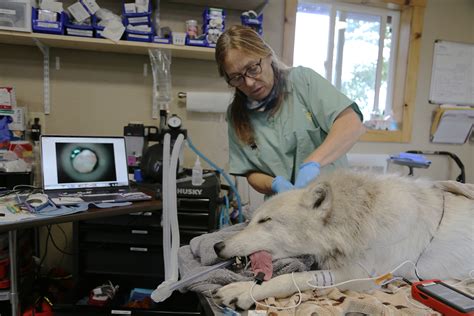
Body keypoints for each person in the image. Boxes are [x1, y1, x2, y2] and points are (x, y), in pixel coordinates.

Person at [215, 25, 366, 197]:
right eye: (237, 78)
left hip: (333, 200)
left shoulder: (303, 82)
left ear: (267, 55)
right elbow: (250, 172)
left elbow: (352, 124)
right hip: (285, 209)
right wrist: (274, 183)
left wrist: (313, 163)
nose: (249, 83)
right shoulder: (237, 115)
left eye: (252, 68)